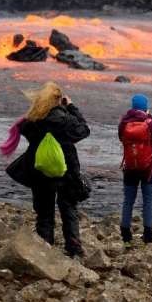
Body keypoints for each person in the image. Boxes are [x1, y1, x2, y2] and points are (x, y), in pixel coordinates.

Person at [16, 82, 90, 257]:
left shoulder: (34, 120)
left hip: (40, 170)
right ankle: (73, 247)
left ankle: (45, 246)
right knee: (68, 208)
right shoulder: (65, 119)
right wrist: (71, 107)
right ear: (59, 100)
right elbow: (84, 130)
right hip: (66, 170)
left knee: (44, 211)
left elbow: (23, 129)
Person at [118, 94, 152, 249]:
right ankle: (148, 233)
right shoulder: (150, 123)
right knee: (148, 200)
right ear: (145, 106)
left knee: (128, 200)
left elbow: (120, 138)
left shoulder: (124, 122)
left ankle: (125, 233)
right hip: (148, 168)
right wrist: (149, 116)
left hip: (130, 167)